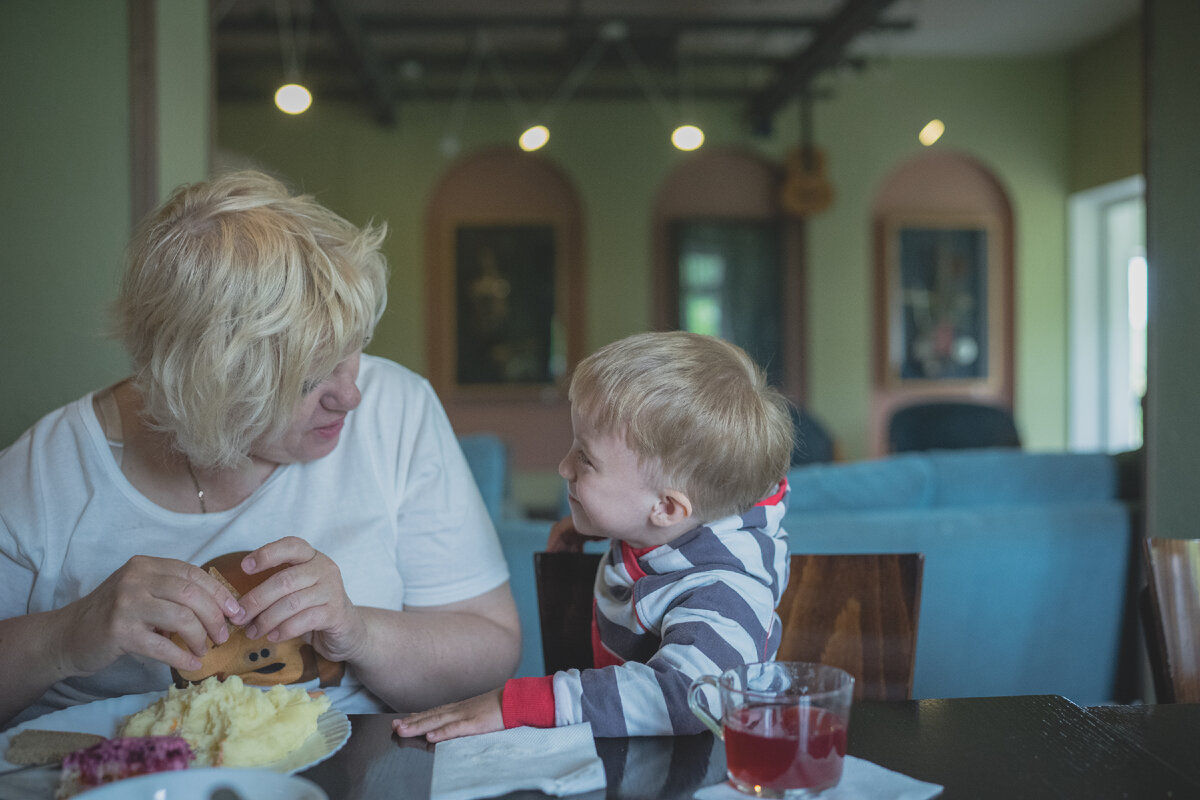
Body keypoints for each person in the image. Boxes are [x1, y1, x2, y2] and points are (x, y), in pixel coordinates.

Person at [0, 171, 520, 729]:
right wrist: (65, 637)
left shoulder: (398, 410)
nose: (350, 395)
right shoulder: (49, 471)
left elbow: (491, 649)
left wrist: (360, 632)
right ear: (206, 390)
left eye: (354, 352)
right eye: (307, 382)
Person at [394, 331, 793, 740]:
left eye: (585, 459)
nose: (564, 467)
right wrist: (606, 528)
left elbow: (685, 698)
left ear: (667, 509)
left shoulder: (727, 591)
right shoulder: (665, 527)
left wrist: (524, 703)